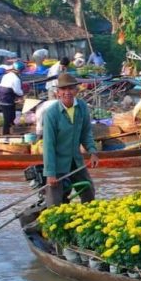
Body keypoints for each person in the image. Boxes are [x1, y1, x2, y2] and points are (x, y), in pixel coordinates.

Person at [41, 73, 98, 207]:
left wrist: (92, 151)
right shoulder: (51, 113)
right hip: (57, 164)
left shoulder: (82, 107)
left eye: (71, 88)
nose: (67, 92)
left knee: (89, 192)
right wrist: (50, 173)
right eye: (63, 89)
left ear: (76, 91)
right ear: (58, 93)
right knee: (54, 203)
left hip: (75, 161)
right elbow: (48, 145)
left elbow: (86, 132)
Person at [0, 60, 25, 135]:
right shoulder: (16, 79)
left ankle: (13, 129)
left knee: (12, 114)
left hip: (0, 96)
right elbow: (17, 91)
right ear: (19, 70)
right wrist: (23, 94)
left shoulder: (7, 75)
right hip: (6, 99)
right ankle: (5, 133)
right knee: (7, 117)